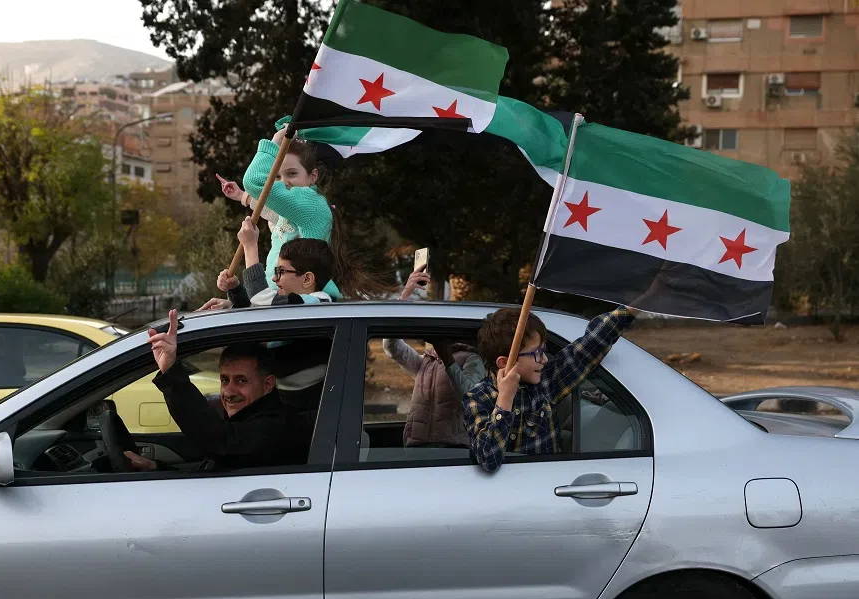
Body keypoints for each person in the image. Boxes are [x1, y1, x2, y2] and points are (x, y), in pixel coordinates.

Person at [217, 127, 392, 302]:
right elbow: (268, 209)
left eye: (291, 174)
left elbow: (254, 181)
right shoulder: (292, 212)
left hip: (285, 300)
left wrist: (277, 140)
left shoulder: (311, 203)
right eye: (275, 178)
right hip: (273, 299)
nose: (283, 182)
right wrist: (236, 295)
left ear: (312, 176)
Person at [125, 309, 309, 471]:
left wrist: (172, 373)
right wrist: (155, 468)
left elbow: (222, 443)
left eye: (241, 380)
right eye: (224, 380)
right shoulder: (248, 419)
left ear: (268, 384)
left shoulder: (276, 426)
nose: (229, 392)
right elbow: (215, 470)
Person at [463, 304, 640, 472]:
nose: (545, 359)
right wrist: (505, 400)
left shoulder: (546, 382)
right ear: (504, 362)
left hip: (549, 486)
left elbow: (589, 346)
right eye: (537, 353)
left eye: (544, 350)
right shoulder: (477, 398)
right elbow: (488, 459)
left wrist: (634, 308)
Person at [382, 265, 485, 447]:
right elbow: (392, 347)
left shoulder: (471, 359)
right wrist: (405, 296)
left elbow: (471, 398)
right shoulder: (426, 362)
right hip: (417, 447)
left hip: (452, 451)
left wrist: (448, 359)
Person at [218, 227, 335, 307]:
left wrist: (250, 246)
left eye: (281, 271)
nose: (274, 278)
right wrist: (235, 288)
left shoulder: (316, 303)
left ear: (307, 279)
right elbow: (254, 308)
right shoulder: (296, 304)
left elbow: (259, 298)